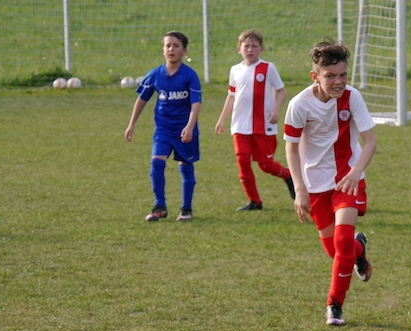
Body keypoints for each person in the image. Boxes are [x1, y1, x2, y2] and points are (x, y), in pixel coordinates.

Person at [284, 38, 376, 326]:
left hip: (348, 179)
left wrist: (355, 172)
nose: (338, 82)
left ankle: (334, 306)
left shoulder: (352, 97)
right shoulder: (299, 105)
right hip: (315, 185)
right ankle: (359, 250)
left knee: (341, 241)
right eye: (330, 76)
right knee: (335, 251)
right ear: (315, 75)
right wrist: (299, 189)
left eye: (343, 75)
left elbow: (370, 142)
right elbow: (290, 148)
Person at [125, 31, 201, 222]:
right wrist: (132, 124)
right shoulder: (155, 74)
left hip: (184, 130)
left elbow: (195, 103)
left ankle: (186, 209)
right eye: (168, 45)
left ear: (184, 51)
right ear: (163, 50)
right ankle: (159, 206)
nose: (171, 49)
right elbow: (142, 99)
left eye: (176, 46)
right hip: (163, 129)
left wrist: (190, 127)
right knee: (156, 164)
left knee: (186, 166)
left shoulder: (190, 75)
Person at [215, 29, 295, 212]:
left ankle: (288, 176)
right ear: (239, 49)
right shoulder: (235, 70)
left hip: (263, 126)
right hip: (240, 126)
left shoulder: (268, 68)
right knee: (243, 162)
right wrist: (221, 119)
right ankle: (254, 202)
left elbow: (282, 91)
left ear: (261, 49)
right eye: (246, 46)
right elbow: (231, 96)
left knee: (266, 165)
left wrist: (275, 110)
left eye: (254, 46)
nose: (250, 49)